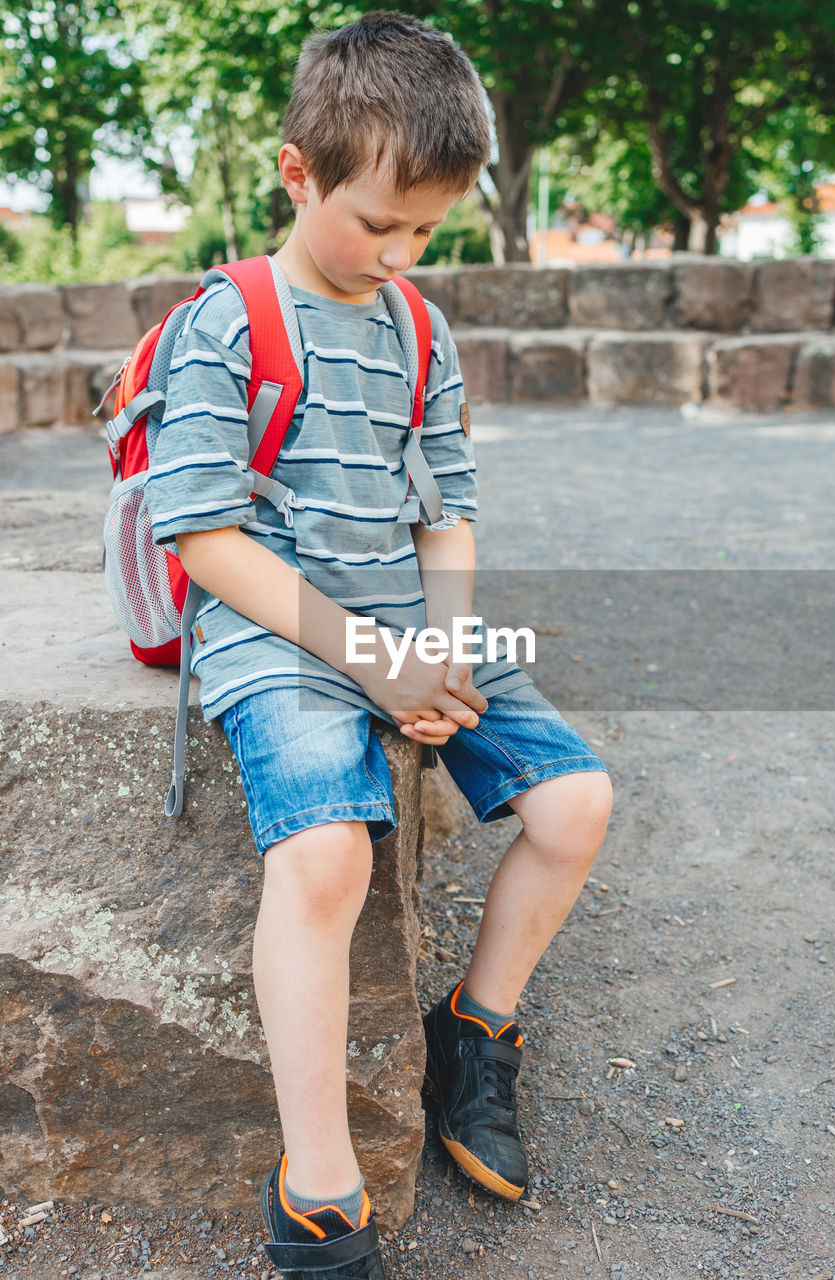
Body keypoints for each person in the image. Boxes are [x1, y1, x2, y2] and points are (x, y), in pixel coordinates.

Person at [145, 11, 612, 1277]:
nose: (400, 255)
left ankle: (476, 1029)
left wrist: (441, 650)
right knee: (324, 858)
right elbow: (201, 536)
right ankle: (320, 1185)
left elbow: (449, 508)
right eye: (378, 222)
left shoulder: (419, 326)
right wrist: (368, 659)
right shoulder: (226, 320)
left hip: (405, 622)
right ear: (296, 169)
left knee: (575, 800)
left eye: (428, 230)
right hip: (279, 629)